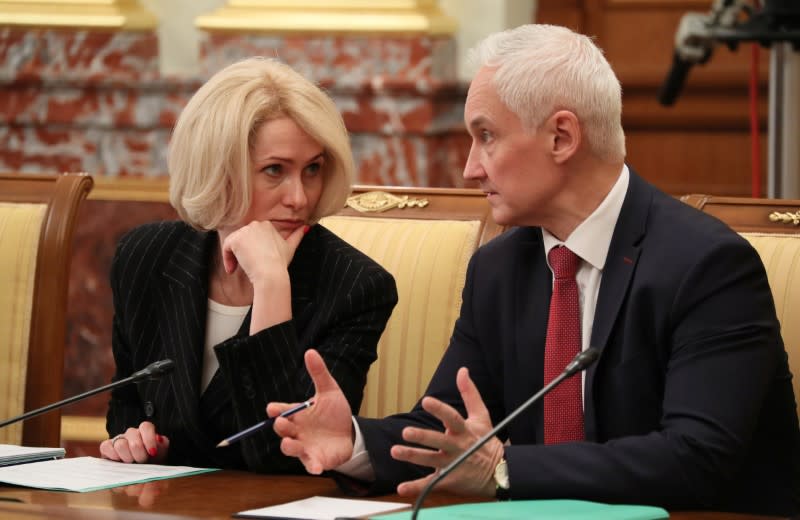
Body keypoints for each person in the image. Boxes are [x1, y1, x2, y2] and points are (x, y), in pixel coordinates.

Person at [268, 24, 800, 515]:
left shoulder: (707, 265)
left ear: (561, 137)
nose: (470, 167)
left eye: (487, 136)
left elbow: (695, 458)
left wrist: (503, 468)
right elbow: (449, 432)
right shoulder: (499, 269)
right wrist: (355, 442)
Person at [98, 57, 398, 473]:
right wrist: (139, 441)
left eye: (312, 169)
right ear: (218, 171)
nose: (300, 198)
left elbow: (287, 460)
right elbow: (129, 402)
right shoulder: (146, 256)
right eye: (275, 171)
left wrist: (272, 287)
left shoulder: (354, 287)